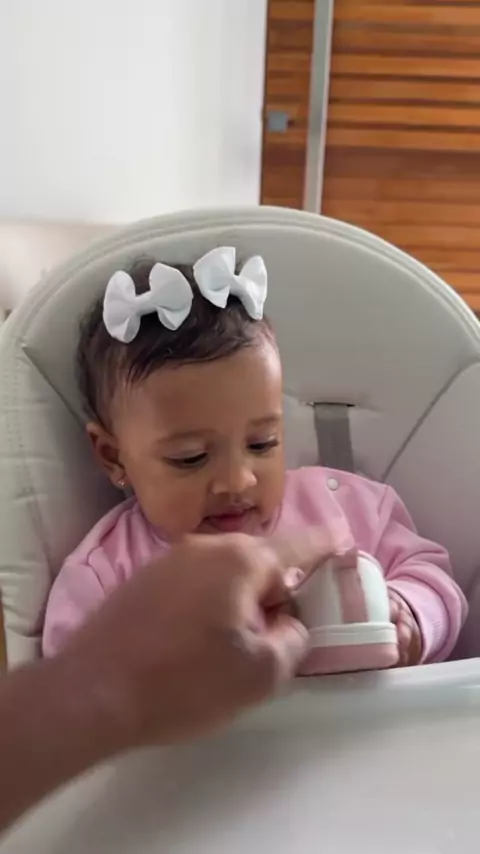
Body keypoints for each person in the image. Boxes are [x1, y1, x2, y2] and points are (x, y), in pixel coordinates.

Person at [43, 247, 467, 667]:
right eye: (190, 457)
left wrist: (411, 614)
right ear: (113, 456)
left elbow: (432, 576)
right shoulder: (104, 577)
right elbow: (72, 688)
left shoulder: (345, 508)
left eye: (262, 443)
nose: (238, 480)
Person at [0, 530, 335, 834]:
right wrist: (113, 689)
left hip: (295, 781)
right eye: (190, 465)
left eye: (261, 457)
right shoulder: (97, 573)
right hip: (160, 803)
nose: (236, 487)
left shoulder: (330, 512)